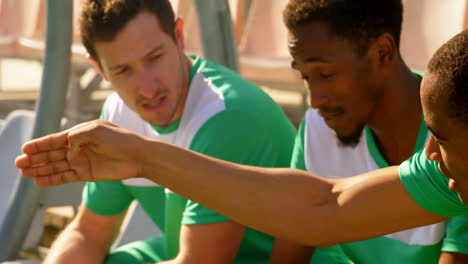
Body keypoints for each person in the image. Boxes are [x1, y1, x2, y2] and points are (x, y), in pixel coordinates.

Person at [16, 10, 468, 263]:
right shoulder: (444, 174)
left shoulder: (229, 116)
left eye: (442, 137)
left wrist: (146, 157)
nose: (428, 153)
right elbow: (322, 208)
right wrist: (143, 156)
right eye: (123, 70)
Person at [25, 0, 297, 263]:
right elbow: (89, 232)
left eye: (155, 58)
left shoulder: (227, 116)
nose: (148, 88)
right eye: (123, 70)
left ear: (179, 37)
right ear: (100, 69)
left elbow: (201, 262)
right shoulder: (117, 115)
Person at [270, 1, 468, 263]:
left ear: (382, 52)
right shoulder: (318, 128)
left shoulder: (456, 133)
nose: (314, 100)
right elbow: (300, 232)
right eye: (306, 77)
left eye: (326, 74)